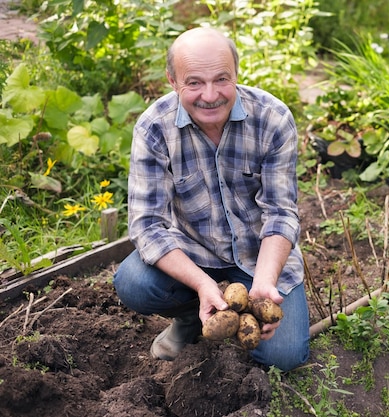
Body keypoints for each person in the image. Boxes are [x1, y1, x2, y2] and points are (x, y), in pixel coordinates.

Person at [113, 27, 310, 372]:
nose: (210, 95)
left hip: (257, 258)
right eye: (194, 83)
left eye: (222, 79)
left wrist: (264, 283)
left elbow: (281, 213)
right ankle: (192, 316)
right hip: (194, 253)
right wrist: (203, 284)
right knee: (133, 282)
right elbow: (148, 226)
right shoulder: (154, 129)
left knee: (284, 357)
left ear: (236, 73)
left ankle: (236, 318)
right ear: (172, 81)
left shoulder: (273, 119)